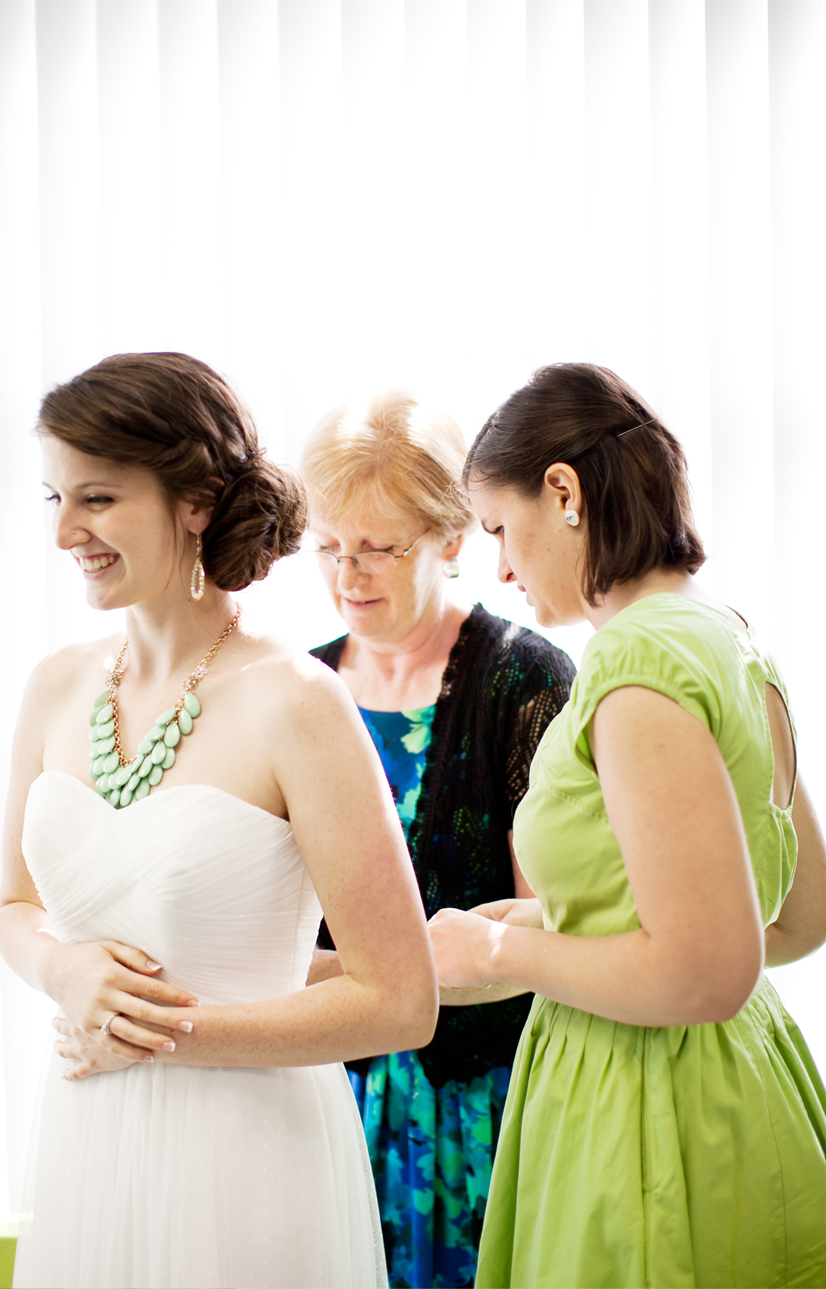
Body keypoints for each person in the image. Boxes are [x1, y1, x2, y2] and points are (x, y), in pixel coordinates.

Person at [0, 352, 438, 1288]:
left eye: (99, 499)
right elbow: (13, 908)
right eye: (55, 499)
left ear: (195, 501)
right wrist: (63, 967)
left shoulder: (298, 701)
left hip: (246, 1156)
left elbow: (401, 998)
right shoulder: (53, 687)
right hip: (88, 1140)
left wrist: (158, 1034)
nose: (68, 530)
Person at [426, 362, 826, 1287]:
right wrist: (528, 923)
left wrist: (498, 958)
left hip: (649, 1107)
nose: (499, 568)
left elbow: (704, 968)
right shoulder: (730, 637)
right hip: (744, 1081)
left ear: (563, 492)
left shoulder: (636, 661)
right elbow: (795, 916)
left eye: (500, 528)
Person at [297, 391, 576, 1288]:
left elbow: (548, 927)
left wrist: (356, 971)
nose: (351, 573)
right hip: (316, 1098)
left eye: (380, 546)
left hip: (478, 1108)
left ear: (453, 537)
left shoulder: (525, 679)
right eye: (330, 548)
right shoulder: (295, 689)